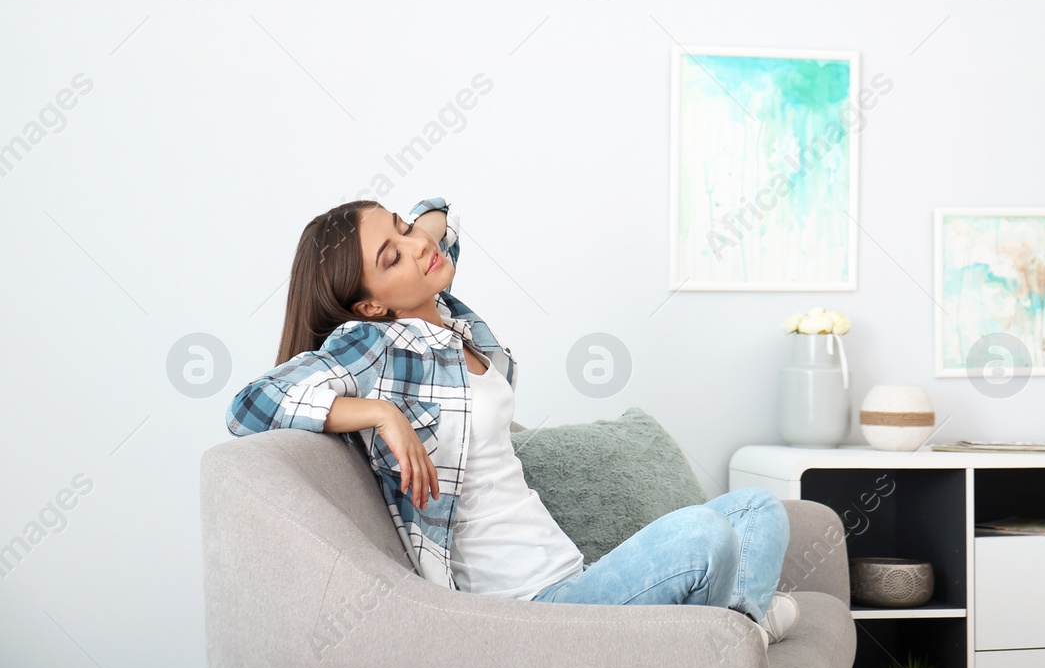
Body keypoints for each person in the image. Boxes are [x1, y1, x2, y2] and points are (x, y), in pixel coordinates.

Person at [225, 195, 799, 645]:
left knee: (756, 510)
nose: (415, 243)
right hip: (525, 614)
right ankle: (737, 633)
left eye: (402, 228)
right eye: (391, 255)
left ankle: (731, 635)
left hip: (576, 574)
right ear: (370, 305)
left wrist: (410, 232)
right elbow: (250, 406)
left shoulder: (446, 321)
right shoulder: (375, 345)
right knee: (700, 535)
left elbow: (440, 218)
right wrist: (380, 415)